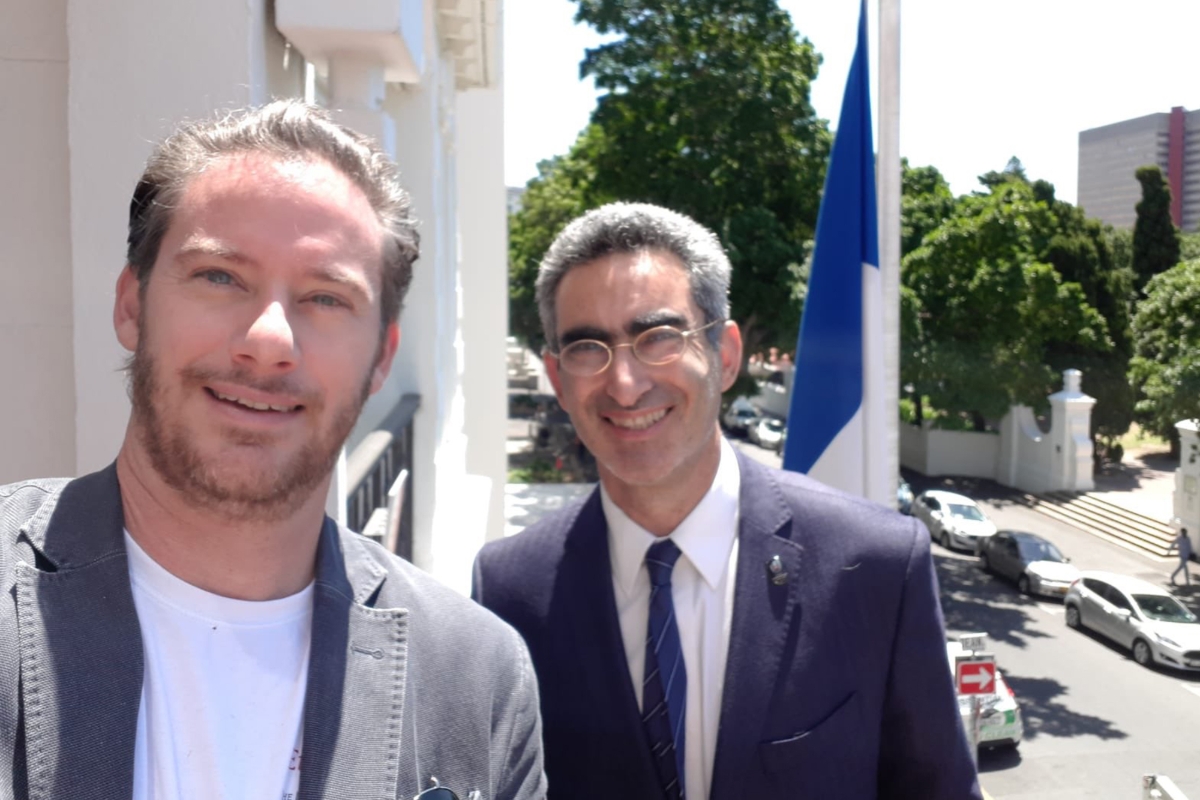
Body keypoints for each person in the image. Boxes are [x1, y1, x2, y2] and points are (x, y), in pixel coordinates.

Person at [0, 102, 545, 800]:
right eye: (220, 277)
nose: (270, 339)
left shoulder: (479, 678)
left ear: (381, 357)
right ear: (132, 306)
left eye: (325, 298)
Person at [472, 202, 980, 800]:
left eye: (658, 337)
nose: (625, 383)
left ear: (727, 354)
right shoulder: (508, 589)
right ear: (558, 379)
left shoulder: (876, 565)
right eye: (589, 348)